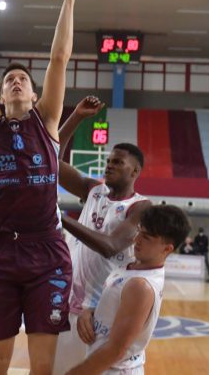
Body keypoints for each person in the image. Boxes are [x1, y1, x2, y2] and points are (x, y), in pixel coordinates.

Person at [0, 0, 87, 374]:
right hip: (0, 252)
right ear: (0, 96)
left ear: (35, 95)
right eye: (9, 81)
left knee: (42, 366)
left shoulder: (47, 119)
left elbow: (59, 58)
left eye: (22, 80)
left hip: (47, 254)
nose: (16, 82)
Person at [52, 97, 151, 375]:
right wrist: (76, 117)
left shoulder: (141, 207)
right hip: (70, 303)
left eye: (117, 162)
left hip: (103, 311)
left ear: (135, 171)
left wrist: (59, 218)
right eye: (108, 161)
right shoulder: (93, 191)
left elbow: (111, 246)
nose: (109, 165)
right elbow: (50, 160)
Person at [64, 205, 192, 375]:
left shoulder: (140, 286)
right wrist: (91, 312)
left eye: (146, 237)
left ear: (167, 248)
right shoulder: (133, 266)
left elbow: (115, 351)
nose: (136, 239)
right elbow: (119, 309)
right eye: (139, 231)